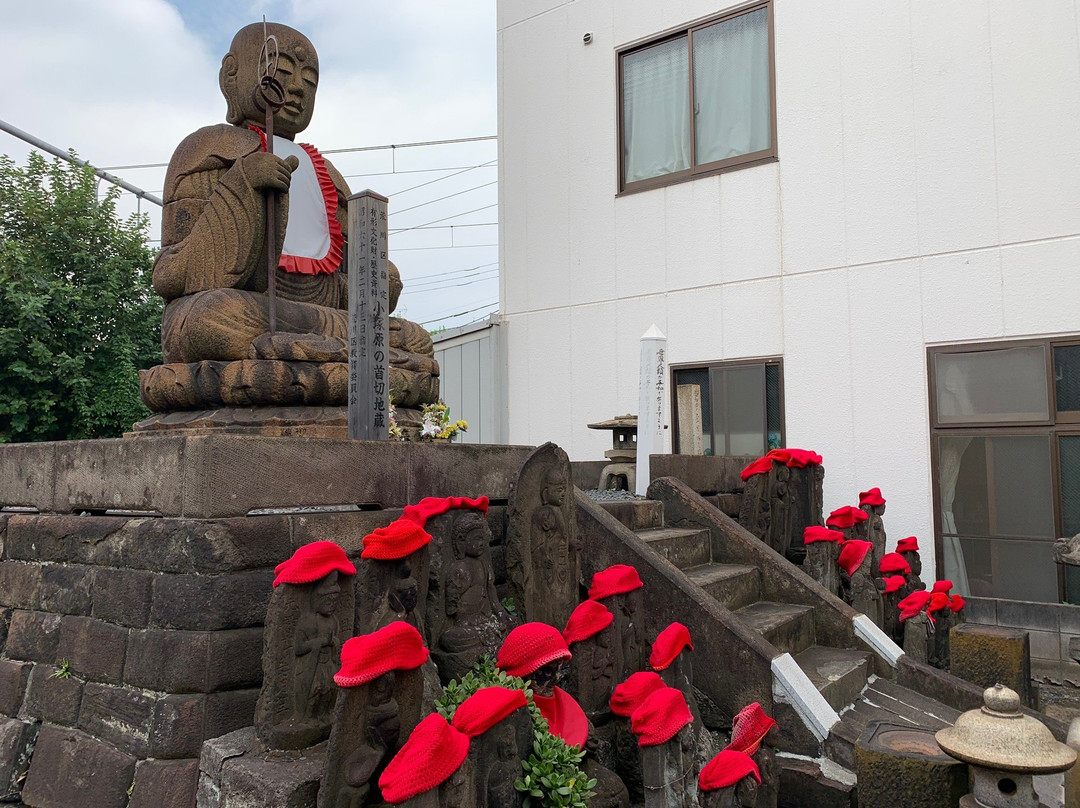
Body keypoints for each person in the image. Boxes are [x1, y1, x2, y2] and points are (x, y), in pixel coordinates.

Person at [151, 22, 437, 406]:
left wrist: (379, 276)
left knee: (415, 337)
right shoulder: (207, 149)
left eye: (310, 81)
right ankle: (334, 358)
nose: (299, 87)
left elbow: (349, 276)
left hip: (313, 317)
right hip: (247, 307)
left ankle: (302, 352)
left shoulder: (329, 175)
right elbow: (172, 275)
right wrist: (242, 186)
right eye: (283, 72)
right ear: (232, 74)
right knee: (211, 318)